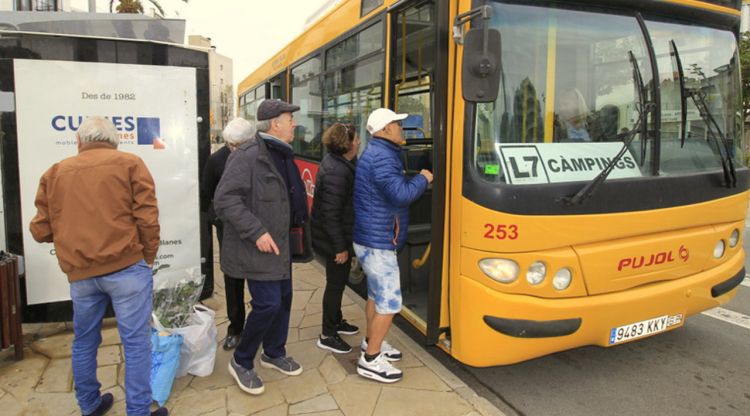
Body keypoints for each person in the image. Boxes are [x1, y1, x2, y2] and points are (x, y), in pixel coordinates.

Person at [29, 116, 167, 416]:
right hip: (128, 268)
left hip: (82, 275)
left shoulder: (54, 173)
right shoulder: (130, 163)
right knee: (136, 344)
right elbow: (147, 217)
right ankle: (139, 412)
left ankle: (89, 405)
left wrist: (70, 230)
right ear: (115, 140)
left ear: (78, 142)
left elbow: (40, 230)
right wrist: (149, 256)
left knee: (85, 341)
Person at [214, 99, 308, 395]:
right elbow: (225, 199)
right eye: (288, 118)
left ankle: (274, 352)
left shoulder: (282, 154)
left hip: (281, 247)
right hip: (256, 248)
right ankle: (242, 360)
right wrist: (256, 232)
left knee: (283, 300)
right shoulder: (248, 155)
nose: (294, 123)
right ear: (274, 124)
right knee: (267, 304)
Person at [352, 108, 433, 383]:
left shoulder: (378, 152)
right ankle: (371, 359)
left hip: (371, 238)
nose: (402, 128)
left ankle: (370, 342)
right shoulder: (382, 157)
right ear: (385, 129)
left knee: (375, 296)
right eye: (397, 124)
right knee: (389, 304)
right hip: (378, 242)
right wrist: (424, 178)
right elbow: (401, 195)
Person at [201, 118, 254, 351]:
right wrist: (216, 218)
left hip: (254, 226)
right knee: (232, 279)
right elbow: (207, 193)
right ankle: (235, 328)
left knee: (258, 275)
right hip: (228, 229)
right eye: (233, 145)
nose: (236, 149)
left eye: (241, 144)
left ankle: (257, 324)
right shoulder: (216, 160)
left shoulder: (257, 156)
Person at [311, 123, 362, 354]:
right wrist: (340, 248)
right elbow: (331, 214)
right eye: (357, 139)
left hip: (334, 236)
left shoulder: (340, 164)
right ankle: (328, 334)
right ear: (348, 144)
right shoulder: (337, 172)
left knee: (339, 284)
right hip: (332, 240)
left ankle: (337, 321)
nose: (359, 142)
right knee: (334, 285)